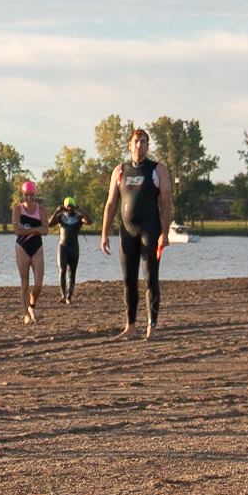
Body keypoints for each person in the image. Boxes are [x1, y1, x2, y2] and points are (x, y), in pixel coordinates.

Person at [100, 128, 176, 340]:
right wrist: (104, 234)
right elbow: (110, 204)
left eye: (143, 142)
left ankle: (152, 327)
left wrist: (165, 233)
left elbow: (167, 203)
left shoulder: (157, 169)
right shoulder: (120, 171)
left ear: (147, 146)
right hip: (127, 232)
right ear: (129, 144)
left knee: (151, 278)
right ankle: (130, 327)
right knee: (128, 280)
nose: (139, 145)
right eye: (136, 141)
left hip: (150, 230)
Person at [11, 181, 47, 324]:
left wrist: (27, 229)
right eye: (26, 195)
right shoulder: (18, 210)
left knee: (38, 283)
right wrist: (35, 229)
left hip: (37, 247)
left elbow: (45, 231)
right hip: (22, 247)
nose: (29, 198)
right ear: (23, 195)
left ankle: (32, 305)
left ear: (35, 194)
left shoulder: (41, 210)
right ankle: (26, 314)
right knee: (24, 283)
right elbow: (17, 231)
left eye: (31, 195)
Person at [49, 196, 91, 305]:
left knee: (72, 273)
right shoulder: (60, 217)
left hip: (74, 248)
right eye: (67, 207)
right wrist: (56, 211)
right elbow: (49, 224)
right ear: (64, 207)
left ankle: (69, 297)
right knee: (62, 270)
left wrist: (81, 210)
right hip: (62, 247)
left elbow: (89, 221)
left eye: (71, 206)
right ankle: (63, 295)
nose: (69, 209)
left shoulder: (79, 217)